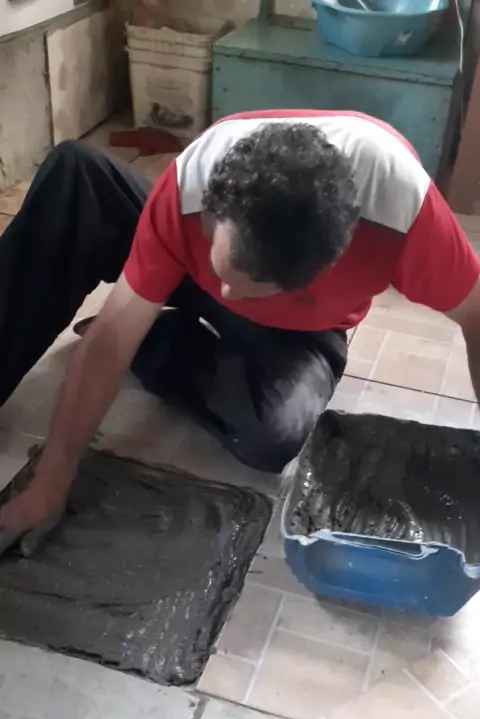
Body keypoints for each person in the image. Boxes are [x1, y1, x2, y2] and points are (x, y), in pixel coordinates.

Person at [0, 108, 479, 553]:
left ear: (327, 265)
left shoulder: (401, 208)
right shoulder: (194, 182)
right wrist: (51, 481)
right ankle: (143, 314)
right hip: (191, 268)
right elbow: (109, 342)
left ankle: (157, 338)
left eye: (251, 289)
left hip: (303, 330)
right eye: (226, 275)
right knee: (76, 175)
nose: (229, 294)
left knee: (274, 433)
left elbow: (476, 316)